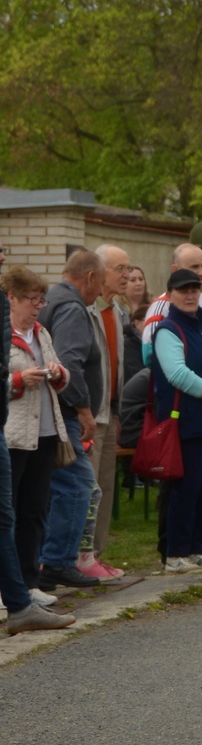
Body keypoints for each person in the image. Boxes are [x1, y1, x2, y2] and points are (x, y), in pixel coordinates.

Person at [0, 239, 76, 635]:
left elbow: (62, 373)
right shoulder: (4, 332)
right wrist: (16, 380)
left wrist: (56, 373)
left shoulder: (41, 332)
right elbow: (4, 381)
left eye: (40, 300)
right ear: (11, 299)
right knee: (7, 514)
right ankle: (8, 590)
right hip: (13, 436)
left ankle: (28, 584)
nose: (37, 306)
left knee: (34, 511)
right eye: (31, 299)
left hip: (46, 432)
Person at [143, 243, 202, 558]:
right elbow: (177, 373)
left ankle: (198, 546)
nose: (190, 294)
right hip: (187, 420)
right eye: (183, 290)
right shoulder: (168, 328)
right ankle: (176, 552)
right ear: (170, 294)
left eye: (195, 288)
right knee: (186, 489)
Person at [37, 249, 107, 592]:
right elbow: (69, 362)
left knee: (54, 489)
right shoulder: (71, 307)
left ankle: (44, 561)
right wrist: (83, 408)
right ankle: (59, 561)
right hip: (64, 415)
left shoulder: (53, 299)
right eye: (101, 283)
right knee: (78, 485)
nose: (101, 292)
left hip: (51, 413)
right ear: (90, 277)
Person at [83, 243, 131, 575]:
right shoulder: (88, 311)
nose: (127, 275)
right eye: (120, 269)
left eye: (129, 268)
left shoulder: (118, 311)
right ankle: (79, 556)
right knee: (87, 487)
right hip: (90, 415)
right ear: (100, 273)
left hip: (110, 411)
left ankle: (96, 554)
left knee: (106, 483)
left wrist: (117, 410)